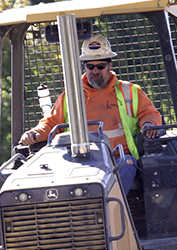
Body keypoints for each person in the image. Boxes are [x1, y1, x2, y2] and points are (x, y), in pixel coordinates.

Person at [20, 34, 162, 194]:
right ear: (84, 67)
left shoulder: (129, 92)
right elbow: (52, 122)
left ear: (109, 65)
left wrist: (149, 125)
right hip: (80, 162)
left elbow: (149, 114)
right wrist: (35, 133)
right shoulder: (70, 97)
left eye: (100, 66)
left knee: (128, 163)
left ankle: (112, 210)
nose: (95, 71)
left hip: (118, 158)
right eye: (90, 66)